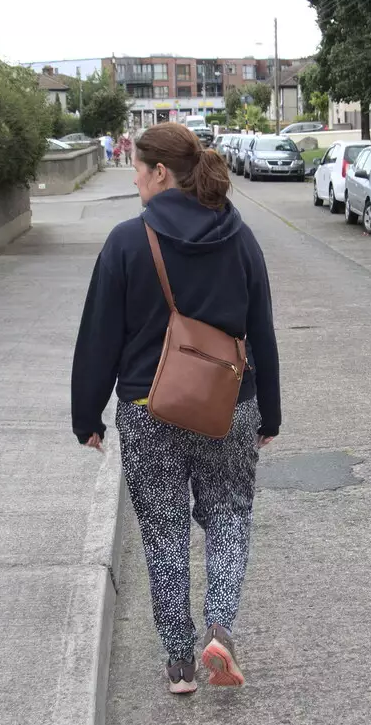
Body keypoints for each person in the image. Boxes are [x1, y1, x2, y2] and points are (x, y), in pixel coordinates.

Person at [71, 122, 280, 695]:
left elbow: (98, 337)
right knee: (229, 515)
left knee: (163, 534)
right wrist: (271, 413)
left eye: (137, 169)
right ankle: (219, 627)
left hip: (148, 410)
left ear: (161, 173)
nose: (134, 179)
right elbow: (260, 330)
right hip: (229, 406)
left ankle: (180, 663)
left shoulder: (126, 241)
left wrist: (86, 414)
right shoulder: (240, 237)